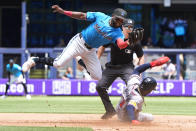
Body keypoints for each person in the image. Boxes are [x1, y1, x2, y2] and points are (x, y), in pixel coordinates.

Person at [22, 5, 131, 80]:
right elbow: (81, 15)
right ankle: (34, 60)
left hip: (90, 51)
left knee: (97, 76)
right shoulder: (101, 16)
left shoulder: (118, 32)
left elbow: (121, 45)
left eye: (122, 20)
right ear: (113, 16)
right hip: (79, 42)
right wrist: (63, 11)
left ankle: (80, 60)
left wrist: (130, 41)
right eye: (119, 19)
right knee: (57, 64)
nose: (120, 22)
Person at [95, 18, 145, 119]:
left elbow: (141, 57)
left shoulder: (135, 41)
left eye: (131, 27)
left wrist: (139, 71)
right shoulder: (114, 36)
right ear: (122, 27)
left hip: (127, 67)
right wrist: (96, 60)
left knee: (134, 87)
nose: (129, 29)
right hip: (112, 66)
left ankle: (133, 111)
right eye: (127, 26)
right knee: (100, 86)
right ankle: (110, 110)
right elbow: (102, 46)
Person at [116, 56, 170, 124]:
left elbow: (137, 70)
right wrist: (133, 120)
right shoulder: (137, 98)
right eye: (151, 90)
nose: (150, 91)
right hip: (125, 117)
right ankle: (130, 120)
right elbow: (130, 107)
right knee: (150, 117)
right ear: (148, 89)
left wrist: (152, 64)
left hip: (118, 110)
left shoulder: (133, 82)